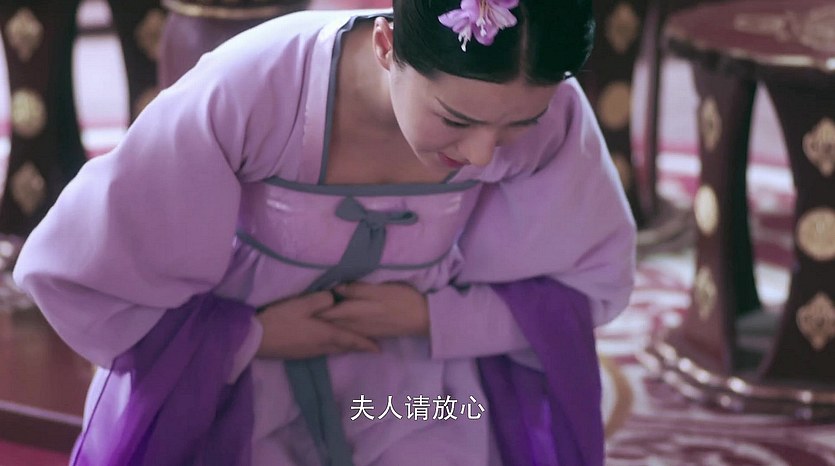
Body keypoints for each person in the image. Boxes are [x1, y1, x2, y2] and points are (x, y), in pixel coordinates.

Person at [14, 0, 636, 465]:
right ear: (387, 45)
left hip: (419, 383)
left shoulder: (551, 115)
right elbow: (81, 273)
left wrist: (434, 318)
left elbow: (586, 290)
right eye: (455, 119)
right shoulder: (254, 86)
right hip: (242, 374)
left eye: (516, 126)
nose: (482, 155)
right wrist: (249, 337)